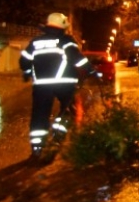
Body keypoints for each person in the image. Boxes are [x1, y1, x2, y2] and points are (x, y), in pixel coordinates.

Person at [19, 12, 96, 163]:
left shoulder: (35, 42)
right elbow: (77, 59)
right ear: (63, 26)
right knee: (69, 110)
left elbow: (24, 61)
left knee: (39, 115)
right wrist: (92, 71)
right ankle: (57, 137)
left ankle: (37, 149)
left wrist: (27, 72)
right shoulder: (66, 41)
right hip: (64, 83)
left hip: (41, 85)